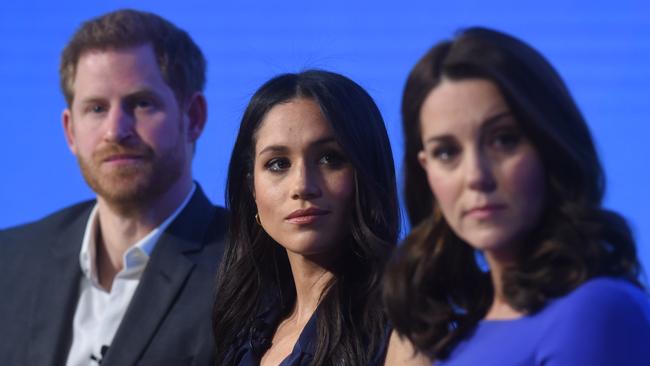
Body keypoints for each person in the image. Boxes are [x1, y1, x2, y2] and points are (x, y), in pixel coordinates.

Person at [382, 27, 650, 365]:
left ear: (550, 145)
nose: (476, 176)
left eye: (504, 140)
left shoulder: (597, 312)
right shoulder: (448, 333)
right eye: (447, 153)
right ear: (425, 171)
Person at [0, 9, 227, 366]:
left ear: (193, 117)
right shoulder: (8, 261)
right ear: (70, 130)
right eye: (96, 108)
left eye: (140, 103)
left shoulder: (249, 268)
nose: (115, 130)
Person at [212, 70, 399, 365]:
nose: (302, 186)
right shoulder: (244, 333)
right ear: (251, 189)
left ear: (367, 171)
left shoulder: (404, 325)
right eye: (278, 164)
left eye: (329, 158)